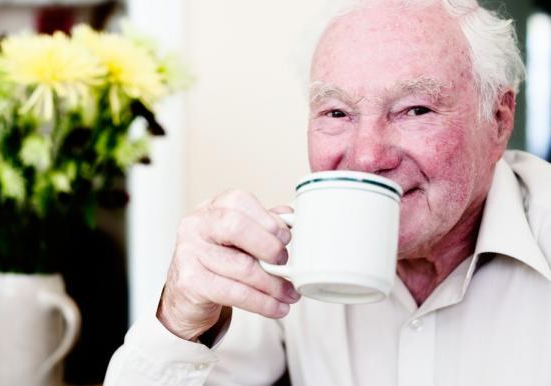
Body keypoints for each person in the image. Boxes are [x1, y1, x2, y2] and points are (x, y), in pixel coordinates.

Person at [105, 0, 551, 384]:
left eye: (415, 109)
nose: (366, 158)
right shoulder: (289, 253)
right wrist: (180, 317)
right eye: (337, 112)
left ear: (498, 121)